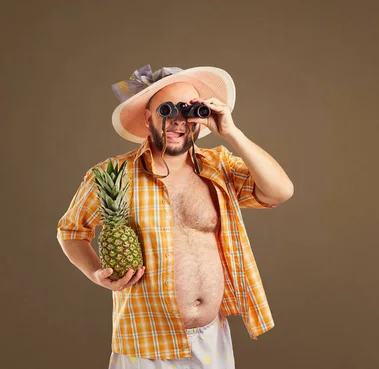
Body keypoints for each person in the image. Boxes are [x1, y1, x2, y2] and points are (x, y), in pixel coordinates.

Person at [57, 64, 294, 368]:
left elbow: (280, 191)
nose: (177, 121)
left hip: (212, 337)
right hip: (146, 339)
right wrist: (94, 273)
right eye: (167, 111)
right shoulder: (113, 175)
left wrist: (232, 132)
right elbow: (71, 231)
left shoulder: (218, 166)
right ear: (148, 117)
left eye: (189, 111)